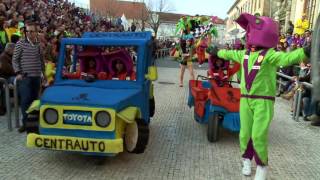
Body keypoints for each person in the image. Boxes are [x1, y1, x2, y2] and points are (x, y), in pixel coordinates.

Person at [210, 13, 309, 180]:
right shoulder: (244, 53)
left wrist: (304, 51)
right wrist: (216, 52)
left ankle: (262, 166)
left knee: (258, 134)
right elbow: (229, 55)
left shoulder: (270, 54)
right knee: (244, 133)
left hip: (263, 101)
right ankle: (246, 159)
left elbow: (287, 58)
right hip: (245, 99)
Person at [12, 22, 45, 133]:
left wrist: (43, 73)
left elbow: (41, 60)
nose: (29, 33)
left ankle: (34, 124)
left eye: (31, 31)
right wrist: (18, 73)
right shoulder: (20, 43)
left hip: (36, 77)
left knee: (35, 101)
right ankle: (25, 124)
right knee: (25, 101)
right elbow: (15, 60)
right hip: (25, 77)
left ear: (36, 32)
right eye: (27, 31)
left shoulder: (39, 44)